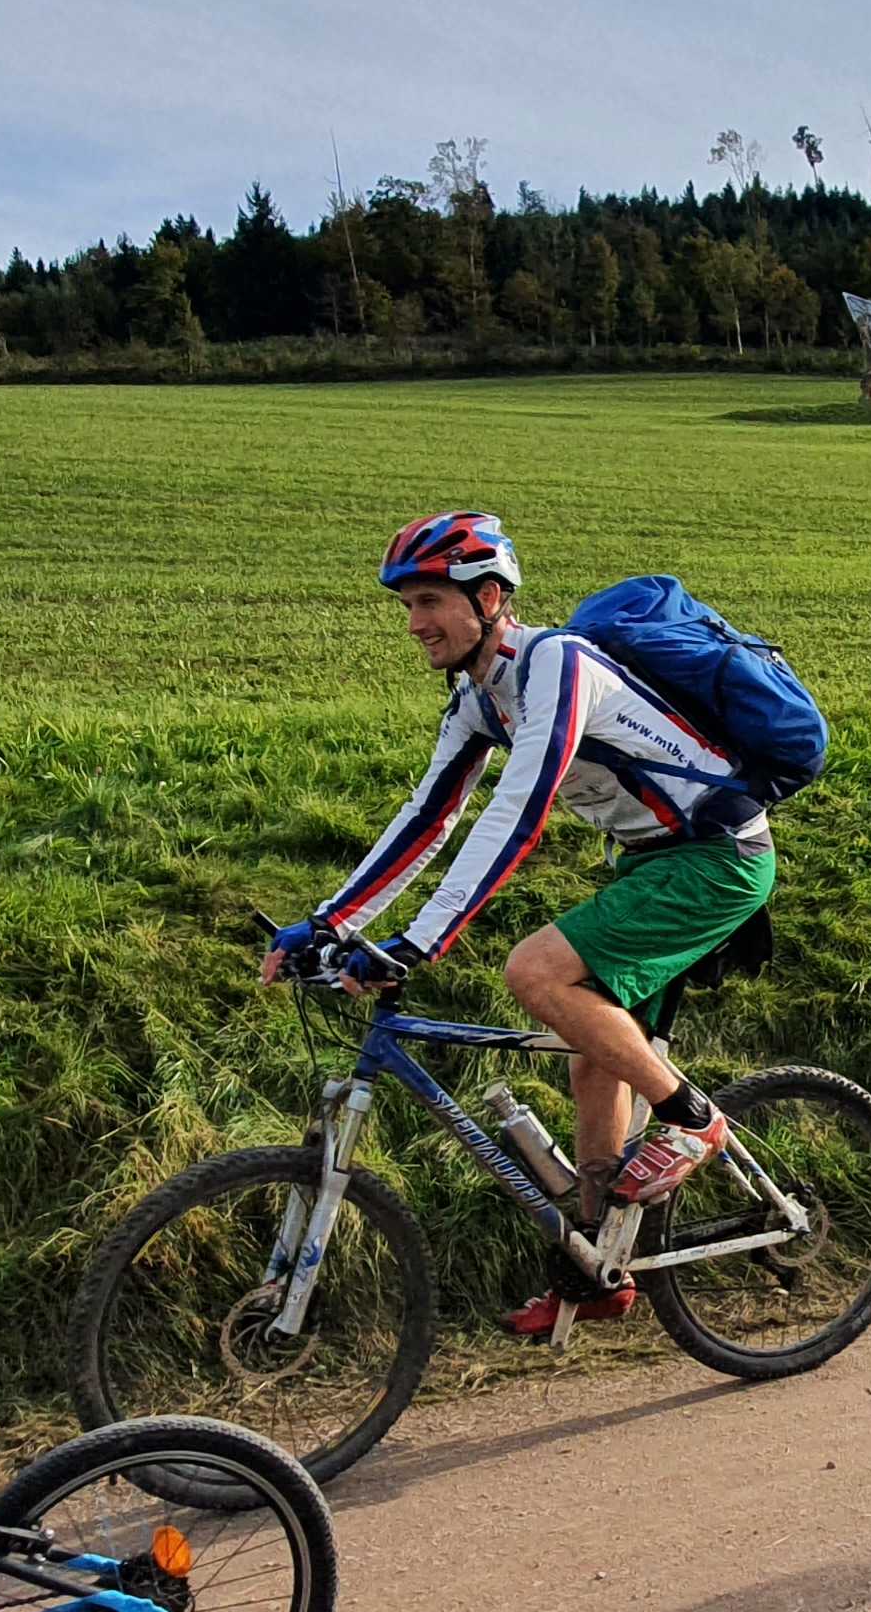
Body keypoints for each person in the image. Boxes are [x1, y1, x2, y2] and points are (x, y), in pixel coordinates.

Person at [277, 511, 777, 1339]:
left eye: (430, 600)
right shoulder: (478, 695)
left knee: (537, 974)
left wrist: (415, 943)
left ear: (491, 596)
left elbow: (520, 810)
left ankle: (692, 1121)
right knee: (595, 1062)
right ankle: (598, 1270)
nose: (414, 624)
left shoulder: (557, 665)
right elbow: (426, 818)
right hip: (653, 861)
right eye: (406, 606)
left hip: (717, 854)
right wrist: (325, 923)